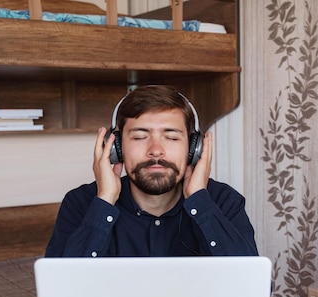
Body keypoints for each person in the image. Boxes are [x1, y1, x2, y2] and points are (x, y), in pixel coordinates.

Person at [44, 85, 258, 257]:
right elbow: (61, 293)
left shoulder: (223, 201)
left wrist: (199, 201)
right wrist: (105, 201)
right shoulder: (81, 203)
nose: (156, 150)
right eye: (139, 136)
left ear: (194, 148)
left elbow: (253, 290)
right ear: (116, 148)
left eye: (172, 137)